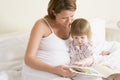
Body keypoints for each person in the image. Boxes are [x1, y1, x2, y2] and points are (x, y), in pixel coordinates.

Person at [21, 0, 76, 80]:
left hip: (64, 72)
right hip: (40, 71)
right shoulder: (41, 25)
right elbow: (28, 59)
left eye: (72, 16)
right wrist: (54, 69)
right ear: (54, 13)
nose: (69, 21)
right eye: (64, 18)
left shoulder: (73, 24)